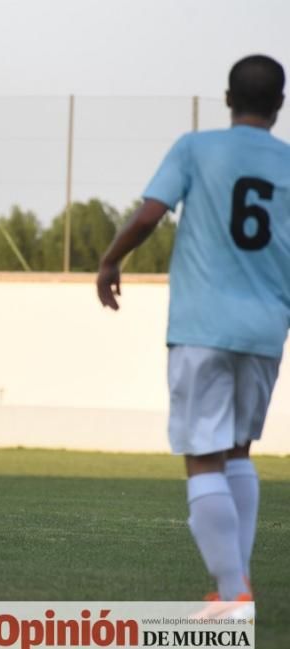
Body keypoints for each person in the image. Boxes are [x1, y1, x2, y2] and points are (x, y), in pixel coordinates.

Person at [97, 54, 289, 606]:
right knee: (238, 453)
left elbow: (147, 216)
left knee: (203, 457)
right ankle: (237, 583)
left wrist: (111, 261)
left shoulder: (195, 148)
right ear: (279, 105)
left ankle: (233, 595)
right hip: (265, 327)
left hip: (202, 325)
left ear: (227, 99)